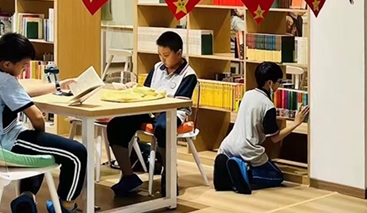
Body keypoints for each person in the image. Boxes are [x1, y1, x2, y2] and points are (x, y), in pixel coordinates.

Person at [0, 33, 88, 213]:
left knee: (38, 149)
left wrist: (58, 85)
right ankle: (65, 205)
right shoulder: (5, 82)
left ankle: (27, 196)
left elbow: (21, 91)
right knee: (77, 152)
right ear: (7, 64)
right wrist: (40, 136)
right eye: (24, 65)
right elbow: (37, 117)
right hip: (1, 143)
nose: (25, 69)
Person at [106, 31, 198, 197]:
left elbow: (179, 104)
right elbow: (146, 90)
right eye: (160, 55)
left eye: (166, 55)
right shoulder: (157, 68)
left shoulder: (189, 75)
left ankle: (168, 173)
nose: (162, 59)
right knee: (116, 125)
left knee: (163, 127)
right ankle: (128, 176)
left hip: (172, 112)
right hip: (149, 109)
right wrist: (133, 88)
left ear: (178, 54)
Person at [213, 62, 309, 195]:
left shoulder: (247, 94)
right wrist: (296, 123)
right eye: (278, 82)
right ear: (269, 83)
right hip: (247, 148)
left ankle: (229, 172)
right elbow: (275, 138)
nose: (279, 86)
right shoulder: (268, 105)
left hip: (228, 145)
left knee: (242, 161)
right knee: (276, 176)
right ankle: (246, 172)